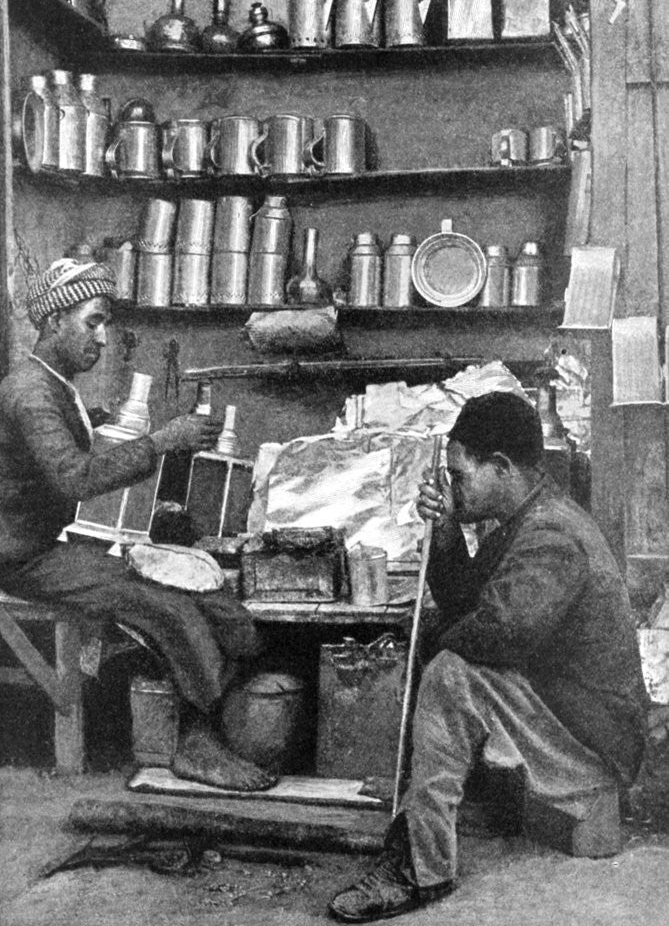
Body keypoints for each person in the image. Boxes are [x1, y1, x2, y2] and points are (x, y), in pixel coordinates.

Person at [329, 391, 648, 922]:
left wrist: (438, 642)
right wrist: (450, 531)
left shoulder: (551, 532)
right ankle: (429, 804)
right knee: (446, 646)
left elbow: (497, 632)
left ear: (500, 467)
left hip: (596, 739)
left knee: (452, 675)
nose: (452, 487)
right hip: (571, 714)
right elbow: (466, 604)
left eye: (459, 476)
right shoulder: (528, 520)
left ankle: (420, 866)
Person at [0, 258, 274, 790]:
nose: (101, 338)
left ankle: (219, 728)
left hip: (42, 547)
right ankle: (196, 745)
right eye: (92, 322)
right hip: (17, 557)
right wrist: (160, 442)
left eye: (105, 324)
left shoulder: (51, 383)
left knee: (206, 590)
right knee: (165, 603)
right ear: (54, 322)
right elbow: (73, 480)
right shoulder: (31, 391)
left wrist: (105, 425)